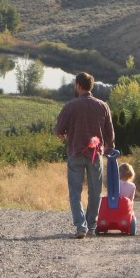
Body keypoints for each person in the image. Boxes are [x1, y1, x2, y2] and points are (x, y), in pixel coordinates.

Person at [54, 72, 114, 238]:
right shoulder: (103, 106)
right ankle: (92, 226)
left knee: (75, 191)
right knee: (95, 192)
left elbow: (59, 130)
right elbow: (110, 135)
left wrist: (64, 135)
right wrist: (109, 149)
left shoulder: (70, 106)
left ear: (79, 85)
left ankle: (81, 226)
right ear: (90, 86)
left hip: (75, 152)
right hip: (95, 155)